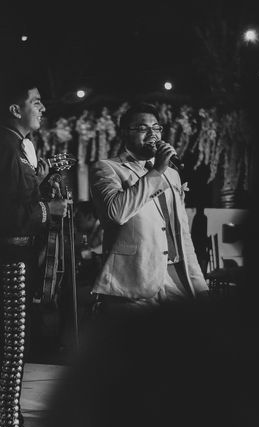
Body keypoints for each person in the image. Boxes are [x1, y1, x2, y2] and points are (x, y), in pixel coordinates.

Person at [0, 75, 70, 427]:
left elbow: (16, 190)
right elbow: (4, 213)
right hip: (7, 257)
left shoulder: (11, 142)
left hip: (16, 255)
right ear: (16, 109)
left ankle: (11, 425)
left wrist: (41, 173)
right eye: (36, 101)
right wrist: (52, 209)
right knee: (12, 347)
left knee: (17, 346)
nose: (43, 108)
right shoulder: (1, 144)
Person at [88, 103, 208, 317]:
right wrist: (157, 171)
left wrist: (200, 286)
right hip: (133, 280)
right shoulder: (106, 168)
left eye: (157, 127)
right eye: (143, 128)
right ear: (125, 132)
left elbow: (182, 234)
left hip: (176, 278)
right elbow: (116, 213)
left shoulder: (172, 175)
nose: (153, 134)